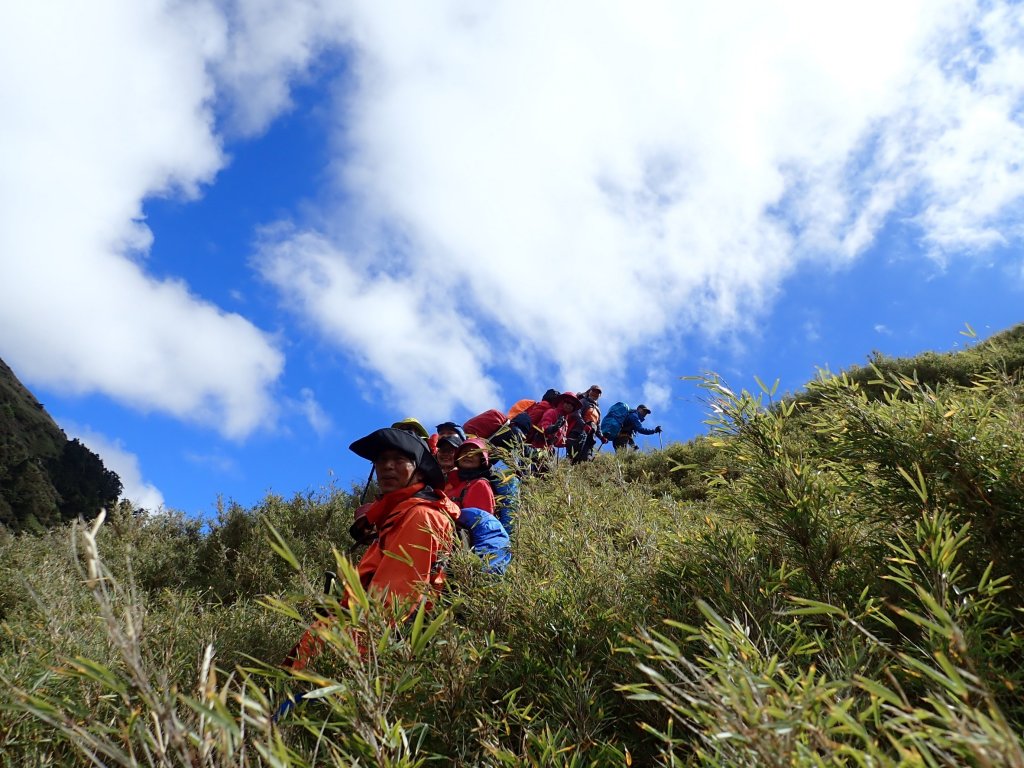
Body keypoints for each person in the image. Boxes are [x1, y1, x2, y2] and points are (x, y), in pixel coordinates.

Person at [283, 427, 459, 671]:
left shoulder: (419, 517)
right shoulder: (396, 518)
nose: (387, 466)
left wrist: (343, 661)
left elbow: (392, 607)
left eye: (399, 460)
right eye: (381, 460)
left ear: (418, 470)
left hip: (381, 653)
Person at [445, 438, 496, 514]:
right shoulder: (449, 482)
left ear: (482, 459)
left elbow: (478, 521)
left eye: (474, 453)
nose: (468, 455)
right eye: (465, 452)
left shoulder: (480, 485)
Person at [567, 384, 606, 464]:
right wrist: (584, 425)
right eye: (593, 391)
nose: (595, 394)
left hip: (590, 437)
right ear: (589, 391)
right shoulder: (583, 401)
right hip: (578, 433)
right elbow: (576, 413)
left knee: (586, 459)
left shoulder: (598, 410)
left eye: (598, 393)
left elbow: (597, 426)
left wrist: (601, 437)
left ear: (599, 395)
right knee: (573, 456)